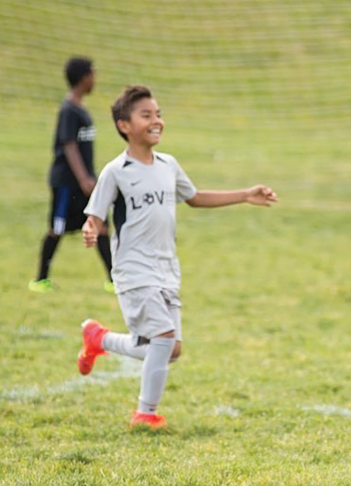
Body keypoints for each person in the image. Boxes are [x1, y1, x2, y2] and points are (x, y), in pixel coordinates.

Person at [77, 85, 278, 429]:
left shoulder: (168, 165)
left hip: (167, 267)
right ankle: (145, 413)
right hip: (133, 268)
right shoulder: (117, 170)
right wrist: (91, 227)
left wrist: (245, 194)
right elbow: (95, 212)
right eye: (146, 115)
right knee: (164, 337)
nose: (156, 121)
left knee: (170, 348)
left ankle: (99, 339)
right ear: (124, 125)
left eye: (158, 114)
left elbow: (195, 197)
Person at [30, 56, 114, 294]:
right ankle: (40, 279)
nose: (95, 79)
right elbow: (68, 145)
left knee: (102, 226)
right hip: (67, 183)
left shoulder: (80, 108)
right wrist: (84, 178)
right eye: (93, 74)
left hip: (84, 182)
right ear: (84, 77)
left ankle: (113, 280)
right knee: (57, 229)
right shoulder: (68, 110)